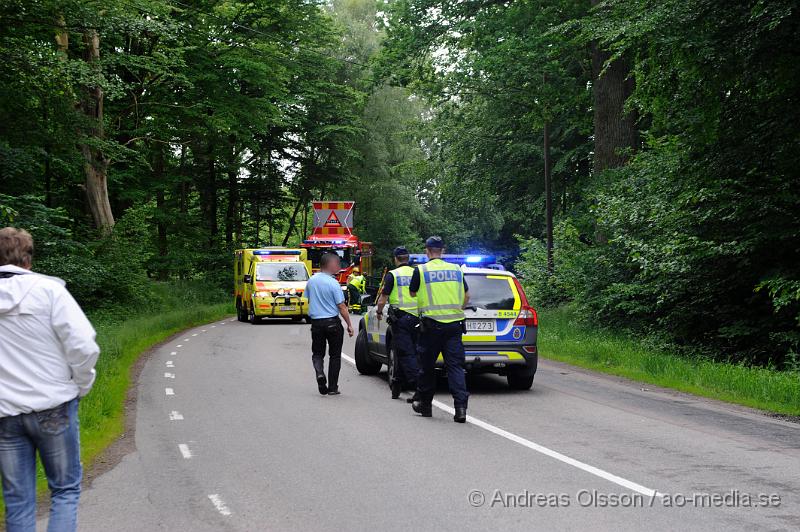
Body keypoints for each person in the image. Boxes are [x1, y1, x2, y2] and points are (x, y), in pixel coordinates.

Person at [0, 227, 100, 532]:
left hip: (5, 413)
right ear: (28, 259)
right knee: (65, 490)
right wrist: (81, 386)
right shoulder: (50, 291)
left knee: (17, 500)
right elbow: (84, 346)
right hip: (55, 406)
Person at [409, 236, 470, 423]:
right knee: (455, 368)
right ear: (443, 250)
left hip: (431, 327)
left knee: (427, 367)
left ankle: (425, 406)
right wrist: (455, 308)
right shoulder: (456, 270)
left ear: (427, 251)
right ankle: (460, 409)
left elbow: (412, 292)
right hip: (454, 326)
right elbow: (467, 296)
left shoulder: (421, 270)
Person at [306, 252, 354, 396]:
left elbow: (309, 300)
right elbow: (341, 306)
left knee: (317, 353)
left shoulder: (311, 281)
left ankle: (320, 373)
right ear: (330, 264)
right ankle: (333, 387)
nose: (339, 266)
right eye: (337, 263)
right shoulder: (333, 283)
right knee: (335, 356)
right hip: (333, 323)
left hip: (316, 324)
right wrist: (349, 325)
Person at [375, 246, 420, 400]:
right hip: (418, 319)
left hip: (401, 320)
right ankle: (397, 384)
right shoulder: (417, 272)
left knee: (404, 353)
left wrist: (379, 312)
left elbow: (383, 298)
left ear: (395, 259)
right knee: (409, 351)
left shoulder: (392, 275)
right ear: (408, 258)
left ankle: (417, 387)